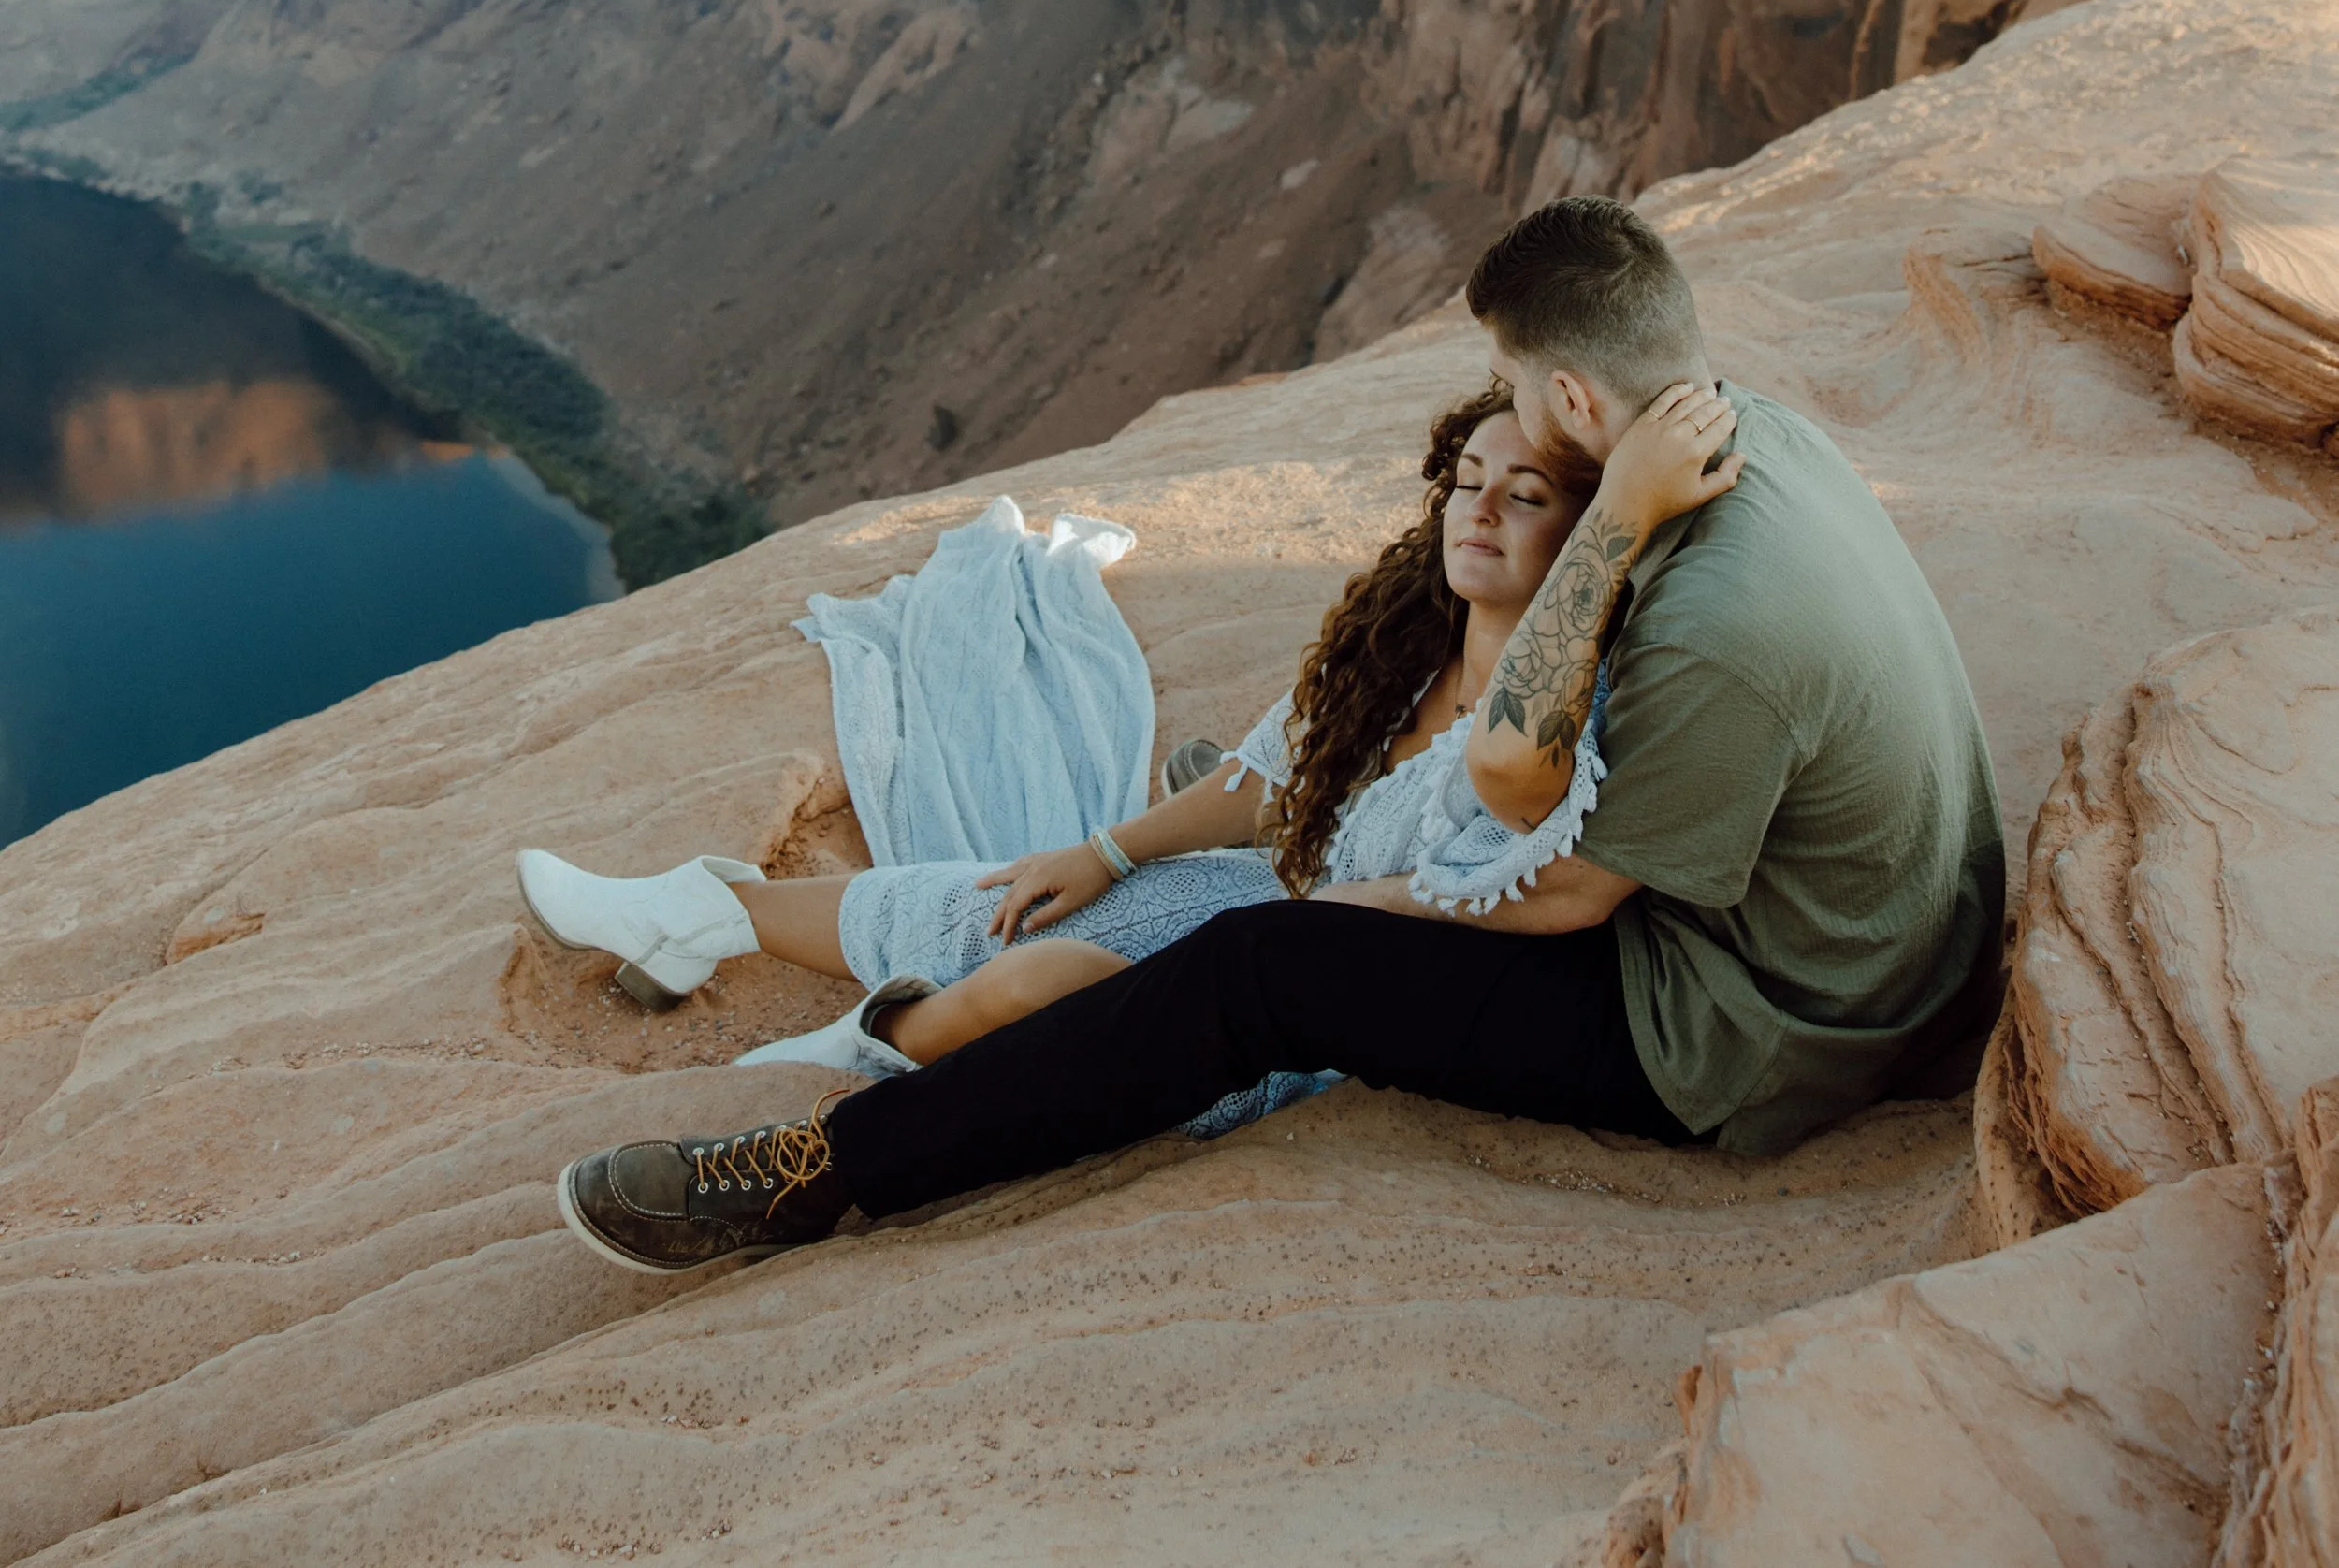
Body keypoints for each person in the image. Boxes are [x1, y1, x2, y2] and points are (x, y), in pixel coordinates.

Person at [551, 196, 2006, 1273]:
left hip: (1748, 1031)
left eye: (1511, 393)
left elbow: (1559, 888)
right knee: (1233, 911)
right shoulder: (1746, 430)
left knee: (1257, 966)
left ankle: (820, 1172)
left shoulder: (1707, 619)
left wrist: (1325, 904)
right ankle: (850, 982)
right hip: (1875, 943)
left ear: (1577, 398)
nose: (1493, 431)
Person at [525, 391, 1608, 1121]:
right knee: (1014, 900)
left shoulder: (1543, 725)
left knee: (1047, 978)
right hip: (1261, 895)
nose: (1480, 514)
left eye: (1525, 498)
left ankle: (863, 1056)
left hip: (1311, 999)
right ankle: (701, 914)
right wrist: (1104, 853)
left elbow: (1478, 909)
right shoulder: (1411, 643)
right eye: (1469, 482)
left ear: (1584, 541)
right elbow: (1260, 785)